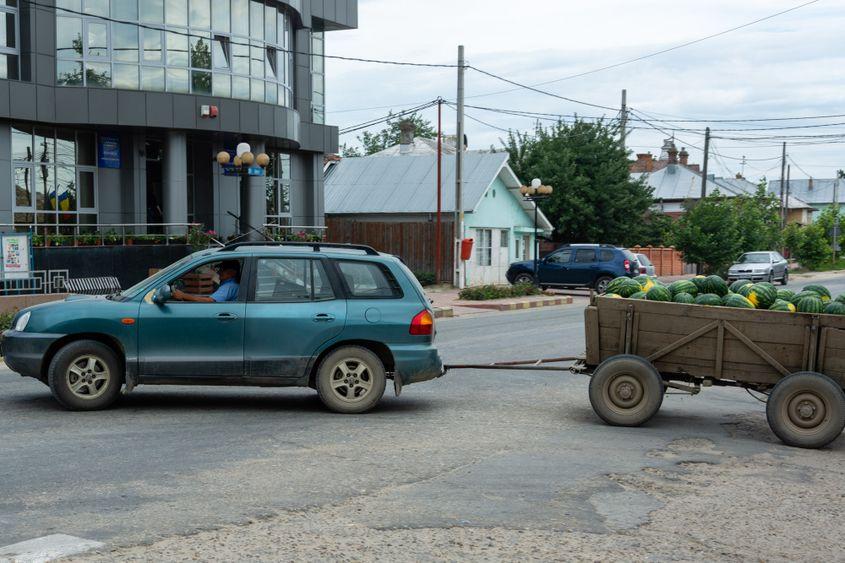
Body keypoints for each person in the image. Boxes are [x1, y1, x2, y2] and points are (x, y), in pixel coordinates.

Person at [172, 261, 240, 303]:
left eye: (222, 270)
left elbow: (210, 301)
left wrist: (183, 295)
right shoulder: (232, 285)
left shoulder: (229, 286)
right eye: (219, 269)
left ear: (232, 272)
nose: (219, 272)